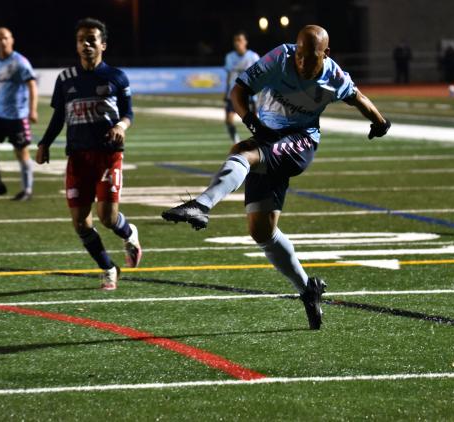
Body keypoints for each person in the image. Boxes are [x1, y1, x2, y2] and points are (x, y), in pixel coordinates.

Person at [162, 25, 391, 330]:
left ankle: (201, 205)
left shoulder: (334, 76)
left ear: (326, 54)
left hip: (300, 142)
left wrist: (380, 122)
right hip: (269, 137)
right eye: (298, 55)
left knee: (243, 152)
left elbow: (358, 97)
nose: (301, 62)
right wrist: (252, 121)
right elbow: (238, 91)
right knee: (262, 232)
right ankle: (307, 288)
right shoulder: (278, 58)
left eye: (309, 57)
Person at [36, 18, 142, 290]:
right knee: (81, 223)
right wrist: (44, 143)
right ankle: (108, 267)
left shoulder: (116, 77)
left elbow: (129, 113)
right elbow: (59, 116)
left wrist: (121, 125)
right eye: (81, 39)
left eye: (91, 39)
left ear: (103, 44)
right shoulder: (66, 79)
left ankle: (130, 233)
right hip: (78, 159)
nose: (86, 44)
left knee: (107, 218)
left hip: (108, 156)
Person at [0, 27, 38, 201]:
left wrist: (32, 109)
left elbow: (32, 85)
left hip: (17, 116)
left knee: (21, 153)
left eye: (5, 38)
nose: (2, 41)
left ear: (11, 40)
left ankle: (27, 190)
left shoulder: (20, 62)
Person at [224, 31, 260, 143]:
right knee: (229, 119)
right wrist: (226, 92)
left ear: (245, 42)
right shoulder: (230, 57)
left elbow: (261, 75)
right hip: (233, 93)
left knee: (254, 121)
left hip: (248, 94)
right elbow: (229, 75)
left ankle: (260, 141)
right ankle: (235, 140)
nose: (237, 43)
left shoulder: (253, 57)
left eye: (240, 40)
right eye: (235, 40)